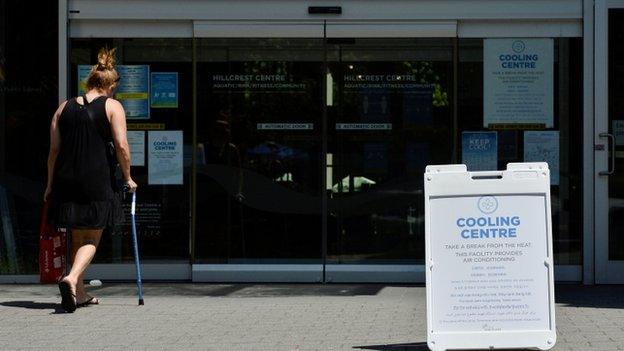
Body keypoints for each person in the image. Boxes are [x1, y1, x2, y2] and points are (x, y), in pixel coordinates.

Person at [44, 47, 137, 312]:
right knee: (92, 238)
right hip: (96, 178)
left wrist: (50, 184)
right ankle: (72, 278)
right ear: (112, 84)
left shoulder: (64, 108)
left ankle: (79, 293)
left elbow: (53, 151)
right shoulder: (112, 106)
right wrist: (128, 177)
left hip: (66, 179)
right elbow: (121, 145)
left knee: (76, 236)